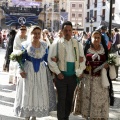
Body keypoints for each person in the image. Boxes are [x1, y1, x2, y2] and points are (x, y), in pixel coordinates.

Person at [13, 25, 56, 120]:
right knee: (28, 92)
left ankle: (34, 116)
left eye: (38, 33)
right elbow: (21, 59)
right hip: (28, 70)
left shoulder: (44, 45)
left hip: (41, 71)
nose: (37, 35)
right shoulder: (25, 45)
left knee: (39, 92)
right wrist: (21, 69)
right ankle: (26, 116)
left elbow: (46, 58)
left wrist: (52, 59)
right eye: (34, 33)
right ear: (31, 34)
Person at [48, 21, 86, 120]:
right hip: (61, 76)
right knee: (61, 99)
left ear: (72, 31)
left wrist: (79, 71)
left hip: (73, 77)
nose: (68, 32)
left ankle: (66, 117)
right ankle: (61, 118)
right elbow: (50, 60)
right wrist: (58, 72)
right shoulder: (56, 43)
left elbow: (83, 59)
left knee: (69, 99)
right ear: (62, 31)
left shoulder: (77, 44)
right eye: (66, 30)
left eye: (70, 30)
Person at [80, 30, 113, 120]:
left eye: (98, 37)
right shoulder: (87, 48)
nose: (97, 39)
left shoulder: (104, 49)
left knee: (100, 100)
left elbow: (108, 62)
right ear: (91, 38)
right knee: (89, 99)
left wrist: (107, 66)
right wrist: (85, 68)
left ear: (101, 39)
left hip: (100, 80)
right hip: (89, 79)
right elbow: (82, 62)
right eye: (95, 37)